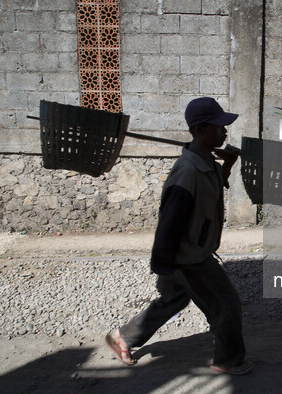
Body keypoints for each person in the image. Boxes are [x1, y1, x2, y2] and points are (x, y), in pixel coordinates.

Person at [105, 97, 253, 375]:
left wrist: (228, 165)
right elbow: (169, 224)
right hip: (190, 256)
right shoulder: (186, 172)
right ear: (199, 130)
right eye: (218, 126)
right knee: (227, 306)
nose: (224, 131)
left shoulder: (204, 161)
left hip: (193, 249)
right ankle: (229, 360)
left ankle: (122, 338)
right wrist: (163, 270)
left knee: (176, 298)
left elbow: (208, 192)